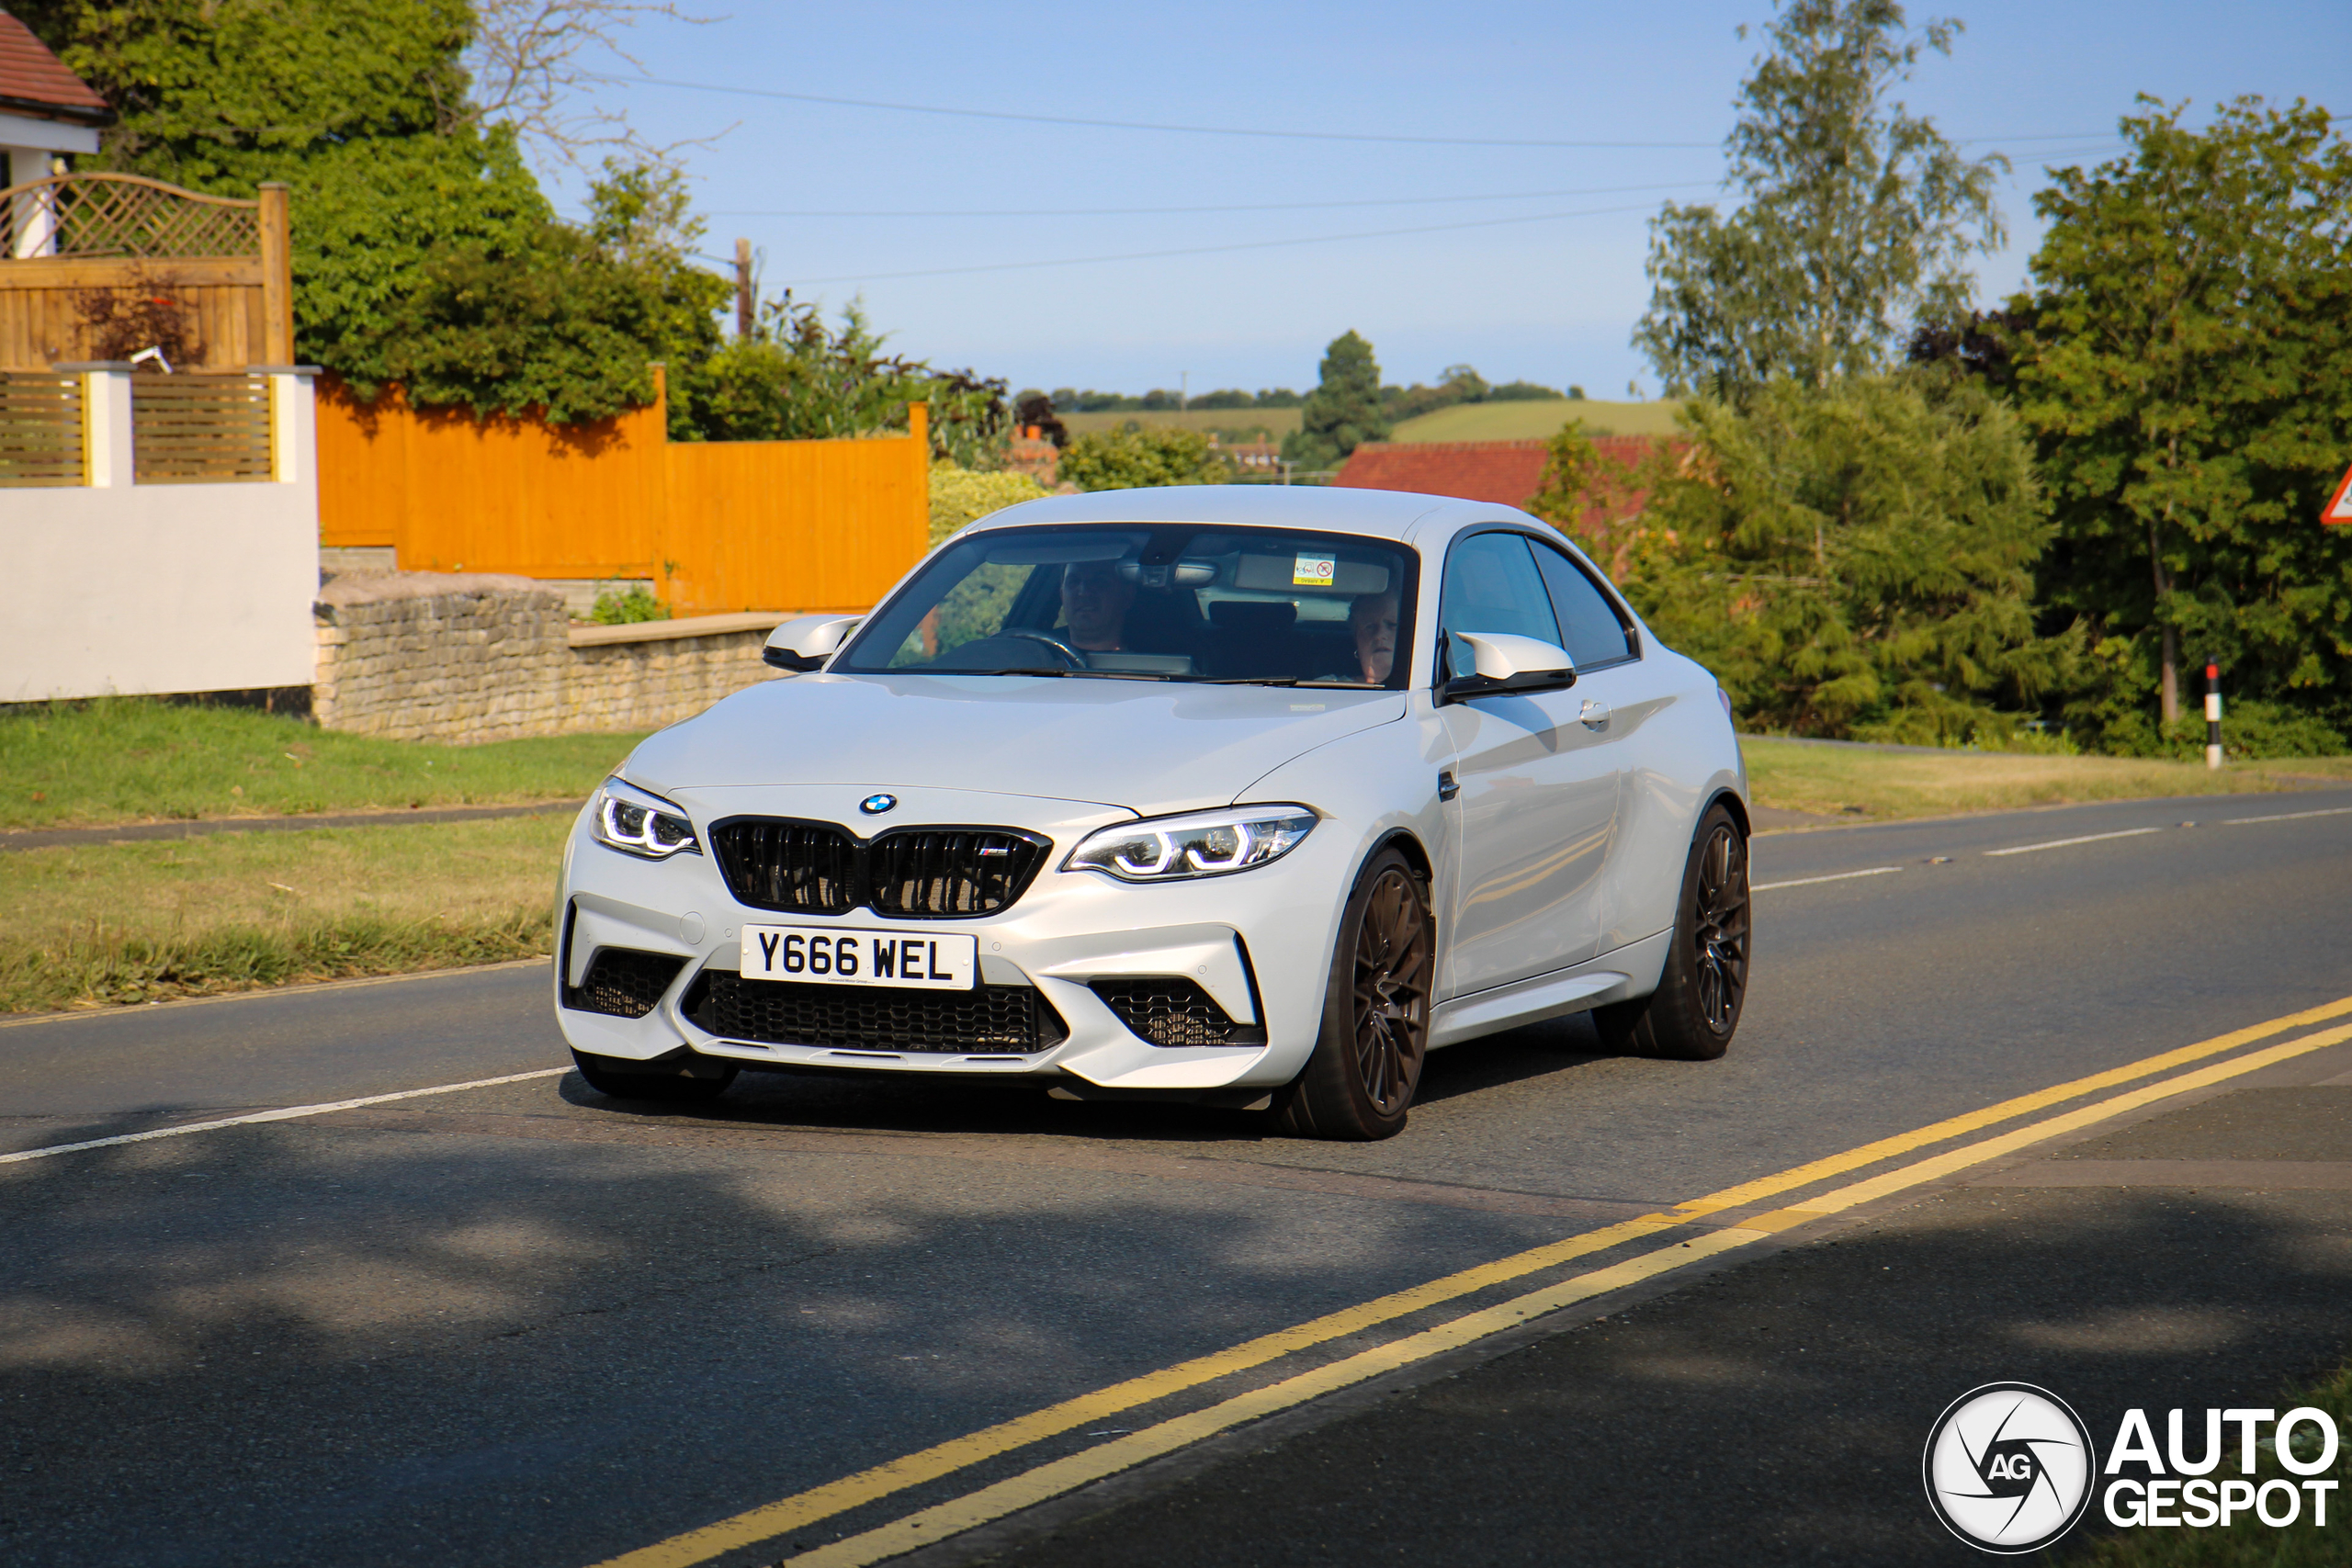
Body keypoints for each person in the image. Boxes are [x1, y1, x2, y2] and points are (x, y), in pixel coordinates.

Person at [1059, 560, 1136, 653]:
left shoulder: (1149, 662)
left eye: (1099, 581)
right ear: (1062, 596)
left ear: (1127, 595)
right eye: (1073, 582)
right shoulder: (1041, 656)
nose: (1084, 593)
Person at [1347, 589, 1400, 683]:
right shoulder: (1327, 690)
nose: (1379, 635)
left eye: (1392, 624)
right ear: (1357, 639)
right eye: (1370, 627)